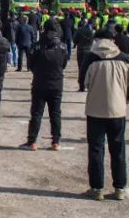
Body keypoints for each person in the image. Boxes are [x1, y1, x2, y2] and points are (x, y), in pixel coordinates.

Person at [83, 29, 129, 201]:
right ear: (113, 40)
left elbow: (84, 82)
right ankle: (119, 188)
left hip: (95, 110)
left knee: (96, 150)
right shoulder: (124, 57)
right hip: (118, 110)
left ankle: (97, 188)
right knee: (118, 149)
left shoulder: (91, 58)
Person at [23, 22, 67, 151]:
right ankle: (56, 142)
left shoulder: (36, 46)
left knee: (36, 113)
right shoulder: (62, 47)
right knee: (56, 113)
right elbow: (63, 64)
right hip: (57, 83)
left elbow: (30, 65)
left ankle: (32, 142)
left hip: (39, 83)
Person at [73, 19, 94, 92]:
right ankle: (89, 85)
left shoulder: (79, 30)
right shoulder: (91, 31)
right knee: (89, 68)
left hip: (81, 51)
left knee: (81, 69)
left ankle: (81, 86)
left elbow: (74, 40)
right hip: (89, 50)